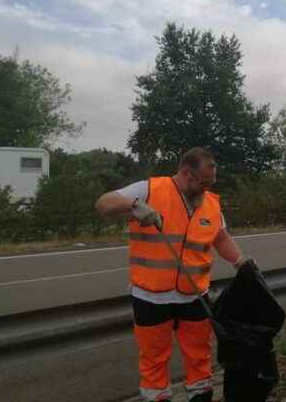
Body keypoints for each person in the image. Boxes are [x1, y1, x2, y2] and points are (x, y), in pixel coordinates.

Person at [95, 147, 247, 402]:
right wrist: (134, 205)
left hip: (195, 297)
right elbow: (103, 203)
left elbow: (221, 238)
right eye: (203, 182)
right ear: (187, 174)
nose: (206, 188)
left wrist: (240, 261)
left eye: (211, 183)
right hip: (151, 299)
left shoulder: (210, 202)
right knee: (154, 360)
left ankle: (200, 396)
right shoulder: (149, 189)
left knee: (200, 356)